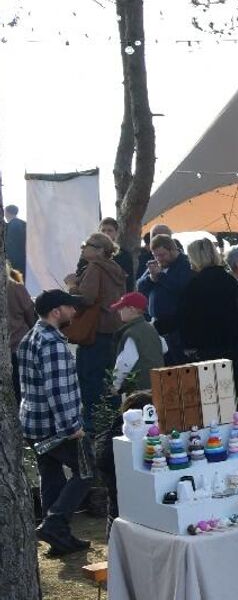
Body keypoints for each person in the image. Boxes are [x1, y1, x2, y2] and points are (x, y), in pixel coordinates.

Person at [19, 288, 91, 556]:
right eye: (70, 306)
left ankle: (58, 538)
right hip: (56, 426)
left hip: (33, 423)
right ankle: (54, 524)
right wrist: (72, 427)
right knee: (86, 471)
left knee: (51, 476)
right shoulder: (52, 343)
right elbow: (58, 391)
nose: (74, 311)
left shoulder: (30, 337)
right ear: (56, 311)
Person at [176, 236, 238, 395]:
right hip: (235, 341)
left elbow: (185, 317)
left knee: (213, 393)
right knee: (237, 390)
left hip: (207, 345)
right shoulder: (228, 278)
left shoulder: (193, 284)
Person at [70, 230, 129, 425]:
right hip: (114, 330)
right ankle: (112, 423)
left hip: (94, 331)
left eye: (86, 245)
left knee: (89, 379)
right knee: (110, 380)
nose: (83, 248)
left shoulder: (95, 267)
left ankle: (93, 425)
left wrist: (72, 286)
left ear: (100, 250)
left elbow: (87, 298)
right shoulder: (116, 269)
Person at [136, 232, 192, 358]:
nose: (159, 259)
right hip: (157, 323)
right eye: (155, 255)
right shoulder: (157, 264)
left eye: (162, 255)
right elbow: (139, 286)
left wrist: (161, 276)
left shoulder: (185, 264)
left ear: (173, 250)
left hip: (176, 326)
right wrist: (151, 278)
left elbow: (181, 288)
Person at [105, 291, 164, 396]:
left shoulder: (131, 333)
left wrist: (116, 385)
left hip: (140, 389)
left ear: (132, 309)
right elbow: (165, 348)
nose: (119, 311)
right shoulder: (150, 328)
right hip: (157, 382)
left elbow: (124, 363)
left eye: (122, 308)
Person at [1, 202, 22, 273]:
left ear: (7, 213)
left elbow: (10, 243)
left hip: (14, 260)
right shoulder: (21, 223)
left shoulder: (13, 225)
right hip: (20, 259)